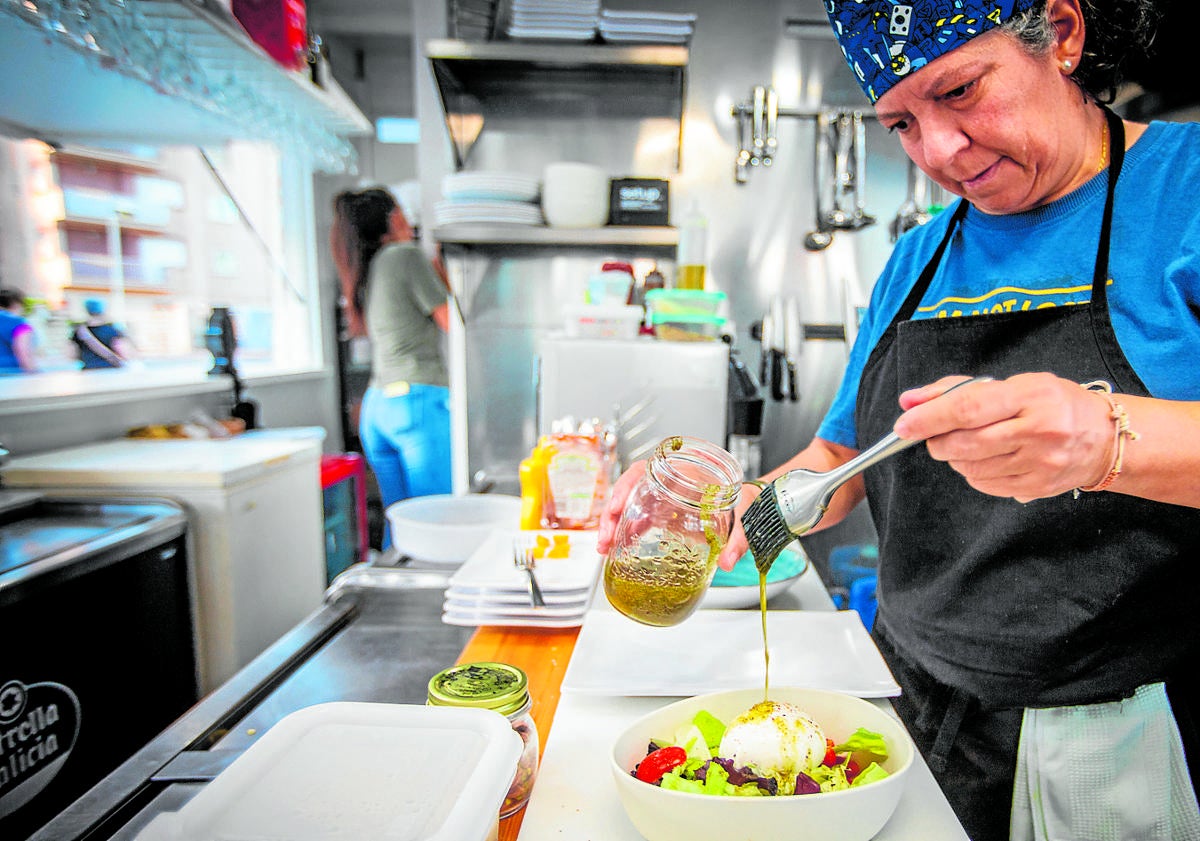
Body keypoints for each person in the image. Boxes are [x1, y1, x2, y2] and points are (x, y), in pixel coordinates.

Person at [598, 2, 1200, 839]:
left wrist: (1106, 439)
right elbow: (839, 459)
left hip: (1107, 731)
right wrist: (719, 512)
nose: (940, 152)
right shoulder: (916, 258)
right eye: (902, 125)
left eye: (961, 90)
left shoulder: (1187, 189)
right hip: (907, 703)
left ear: (1061, 34)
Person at [330, 187, 453, 549]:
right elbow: (453, 323)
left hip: (378, 408)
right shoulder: (404, 255)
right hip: (416, 404)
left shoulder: (364, 267)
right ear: (393, 218)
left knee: (399, 528)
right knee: (436, 521)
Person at [71, 298, 136, 369]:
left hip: (89, 370)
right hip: (109, 370)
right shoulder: (111, 330)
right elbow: (121, 350)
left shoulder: (80, 331)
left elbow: (72, 354)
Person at [0, 286, 37, 374]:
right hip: (10, 374)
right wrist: (33, 372)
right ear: (16, 304)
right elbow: (23, 351)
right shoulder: (18, 323)